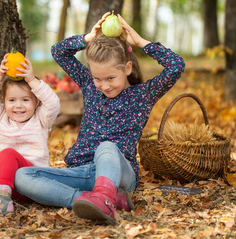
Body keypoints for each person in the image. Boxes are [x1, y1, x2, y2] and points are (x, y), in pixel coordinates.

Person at [15, 12, 185, 225]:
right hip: (83, 172)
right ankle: (93, 200)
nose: (104, 86)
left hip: (120, 173)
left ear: (128, 68)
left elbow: (176, 65)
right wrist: (87, 38)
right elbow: (58, 52)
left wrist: (141, 42)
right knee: (22, 176)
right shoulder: (88, 85)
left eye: (111, 78)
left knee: (106, 147)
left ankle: (106, 196)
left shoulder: (143, 94)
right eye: (98, 78)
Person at [0, 53, 60, 217]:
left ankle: (3, 202)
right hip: (0, 183)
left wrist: (32, 80)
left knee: (7, 153)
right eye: (12, 100)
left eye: (26, 100)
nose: (18, 106)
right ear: (3, 100)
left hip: (29, 182)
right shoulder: (0, 117)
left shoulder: (41, 119)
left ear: (36, 101)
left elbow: (53, 103)